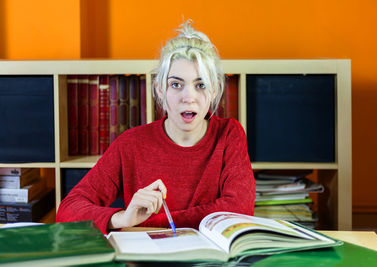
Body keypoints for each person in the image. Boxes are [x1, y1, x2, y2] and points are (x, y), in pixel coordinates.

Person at [56, 20, 256, 234]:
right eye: (176, 84)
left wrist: (141, 224)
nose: (189, 98)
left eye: (200, 85)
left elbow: (238, 210)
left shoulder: (229, 135)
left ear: (215, 90)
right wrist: (122, 217)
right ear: (160, 89)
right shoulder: (130, 144)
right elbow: (67, 211)